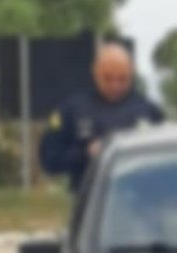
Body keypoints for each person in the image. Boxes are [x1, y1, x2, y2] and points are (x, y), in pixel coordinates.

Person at [39, 43, 165, 193]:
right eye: (108, 78)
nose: (115, 86)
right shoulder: (72, 110)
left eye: (122, 79)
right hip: (91, 200)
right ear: (95, 72)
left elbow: (164, 162)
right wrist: (85, 153)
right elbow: (50, 160)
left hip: (137, 200)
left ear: (132, 73)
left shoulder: (149, 111)